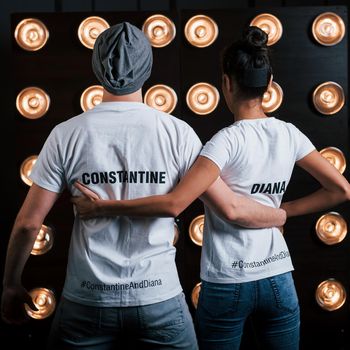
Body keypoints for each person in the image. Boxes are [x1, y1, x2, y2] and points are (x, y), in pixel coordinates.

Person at [1, 22, 286, 350]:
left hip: (87, 300)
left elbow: (27, 224)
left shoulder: (66, 134)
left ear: (96, 66)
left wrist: (10, 284)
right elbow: (231, 206)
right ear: (147, 67)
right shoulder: (177, 133)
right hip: (159, 297)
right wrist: (279, 215)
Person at [71, 26, 350, 350]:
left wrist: (104, 207)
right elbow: (340, 189)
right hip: (278, 277)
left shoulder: (224, 143)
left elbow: (174, 203)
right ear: (270, 84)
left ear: (226, 83)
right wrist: (284, 211)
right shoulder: (289, 134)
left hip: (228, 281)